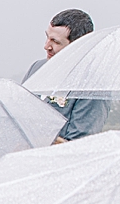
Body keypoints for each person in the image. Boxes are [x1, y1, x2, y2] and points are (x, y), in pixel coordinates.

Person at [22, 8, 108, 141]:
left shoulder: (93, 86)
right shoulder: (37, 68)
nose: (46, 46)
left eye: (55, 42)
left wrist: (37, 137)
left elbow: (79, 141)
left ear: (78, 46)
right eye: (47, 37)